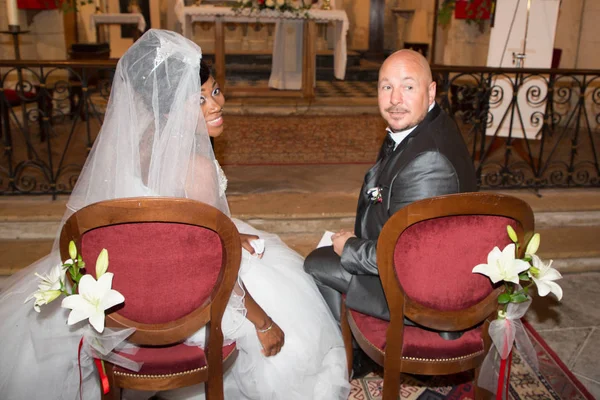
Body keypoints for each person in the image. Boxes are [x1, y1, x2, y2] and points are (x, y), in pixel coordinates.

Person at [0, 29, 349, 400]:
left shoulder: (142, 143)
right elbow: (212, 266)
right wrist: (262, 323)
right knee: (290, 319)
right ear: (168, 108)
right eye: (197, 99)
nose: (216, 104)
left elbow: (167, 220)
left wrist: (227, 228)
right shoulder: (195, 167)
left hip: (132, 275)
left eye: (214, 91)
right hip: (178, 296)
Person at [303, 49, 478, 372]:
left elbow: (407, 257)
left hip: (421, 293)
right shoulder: (428, 127)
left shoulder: (429, 161)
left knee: (316, 263)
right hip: (419, 258)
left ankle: (348, 360)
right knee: (329, 251)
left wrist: (351, 247)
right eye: (386, 87)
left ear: (431, 92)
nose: (395, 99)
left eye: (408, 87)